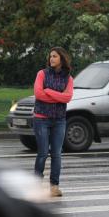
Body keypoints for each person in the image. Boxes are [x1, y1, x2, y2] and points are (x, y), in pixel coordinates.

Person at [33, 47, 74, 197]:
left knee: (56, 154)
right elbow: (38, 94)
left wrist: (49, 91)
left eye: (55, 56)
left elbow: (67, 97)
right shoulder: (41, 74)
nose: (51, 59)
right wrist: (58, 95)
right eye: (50, 56)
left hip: (59, 120)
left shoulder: (68, 78)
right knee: (43, 153)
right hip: (41, 119)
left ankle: (54, 187)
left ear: (61, 59)